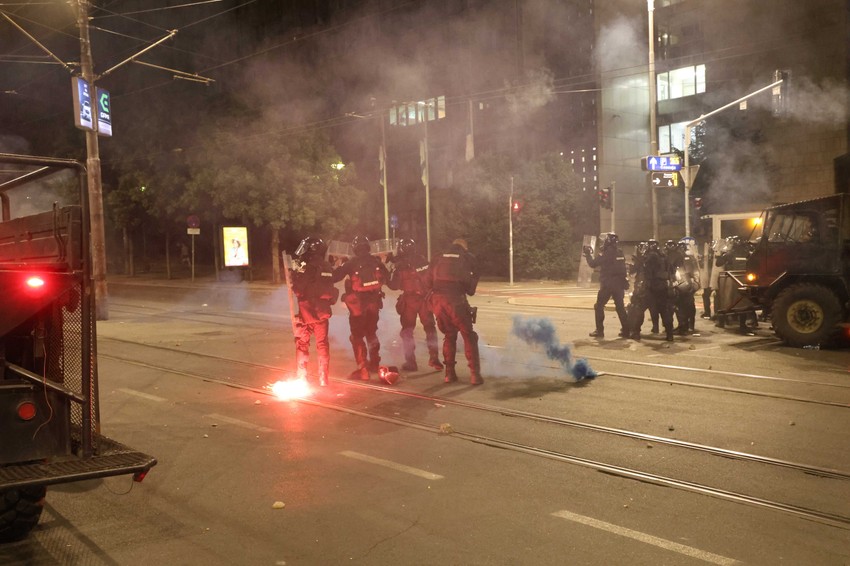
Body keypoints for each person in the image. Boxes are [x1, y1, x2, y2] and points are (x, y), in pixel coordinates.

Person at [333, 235, 389, 380]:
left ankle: (363, 369)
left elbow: (335, 277)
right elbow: (388, 278)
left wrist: (338, 263)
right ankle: (375, 364)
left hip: (358, 305)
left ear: (355, 248)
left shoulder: (352, 263)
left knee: (357, 336)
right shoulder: (376, 261)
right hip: (374, 303)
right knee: (371, 333)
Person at [428, 238, 483, 385]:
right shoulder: (467, 257)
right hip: (456, 301)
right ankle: (475, 375)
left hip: (438, 301)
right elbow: (471, 288)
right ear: (464, 247)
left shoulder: (438, 256)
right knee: (468, 335)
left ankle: (449, 374)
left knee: (449, 335)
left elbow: (428, 281)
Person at [388, 238, 443, 372]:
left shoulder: (400, 266)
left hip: (410, 301)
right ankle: (435, 358)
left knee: (407, 330)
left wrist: (387, 274)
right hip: (425, 299)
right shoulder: (423, 260)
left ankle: (411, 362)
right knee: (430, 328)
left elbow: (394, 286)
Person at [290, 237, 338, 387]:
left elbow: (298, 290)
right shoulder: (327, 266)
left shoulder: (306, 266)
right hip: (322, 313)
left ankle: (302, 377)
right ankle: (324, 378)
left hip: (306, 314)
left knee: (302, 344)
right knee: (322, 344)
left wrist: (294, 278)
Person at [583, 232, 629, 338]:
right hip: (619, 285)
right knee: (620, 307)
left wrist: (588, 254)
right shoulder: (619, 252)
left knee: (599, 306)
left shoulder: (606, 253)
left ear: (608, 241)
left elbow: (593, 264)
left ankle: (600, 331)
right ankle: (626, 331)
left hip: (608, 284)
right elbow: (622, 269)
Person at [643, 239, 675, 341]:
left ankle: (636, 331)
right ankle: (669, 334)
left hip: (653, 286)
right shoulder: (664, 256)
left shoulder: (651, 256)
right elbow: (671, 270)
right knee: (664, 310)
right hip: (663, 285)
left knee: (646, 308)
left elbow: (647, 272)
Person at [672, 237, 701, 335]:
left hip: (684, 285)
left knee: (682, 306)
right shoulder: (689, 258)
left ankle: (684, 326)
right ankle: (688, 325)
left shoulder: (684, 258)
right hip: (688, 284)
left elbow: (686, 272)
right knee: (688, 305)